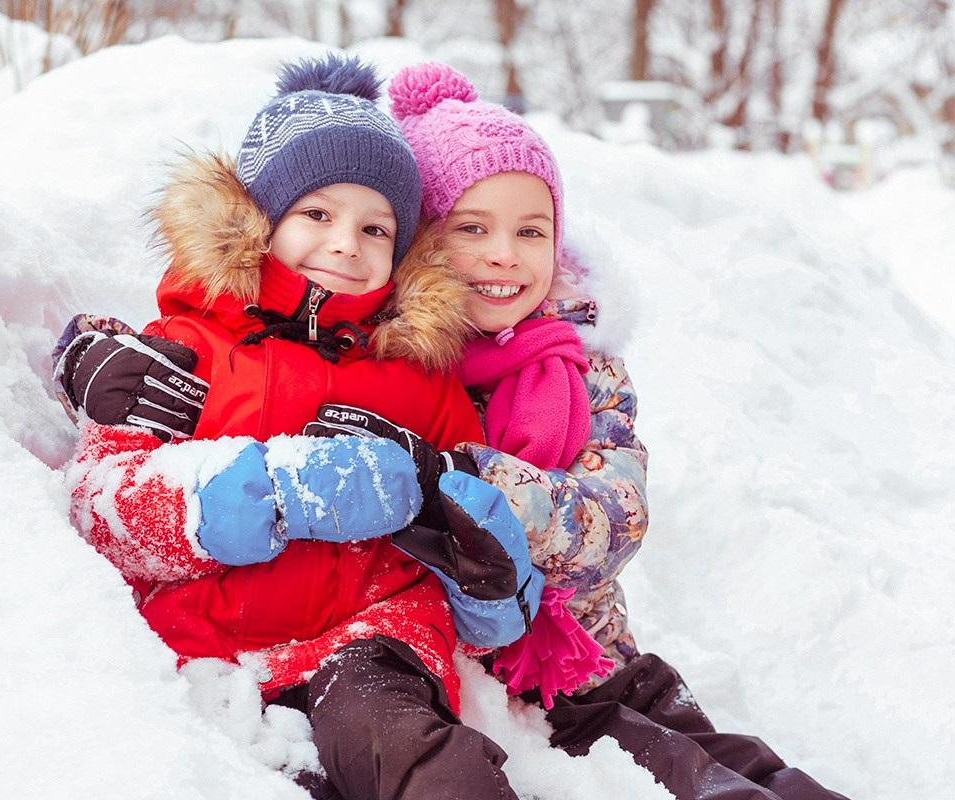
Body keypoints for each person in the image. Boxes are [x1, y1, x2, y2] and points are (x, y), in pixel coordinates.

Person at [309, 61, 849, 800]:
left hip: (582, 660)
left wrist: (456, 476)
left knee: (741, 773)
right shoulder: (381, 364)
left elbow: (610, 521)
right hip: (461, 677)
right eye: (472, 228)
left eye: (531, 231)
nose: (506, 254)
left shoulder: (580, 368)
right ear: (418, 244)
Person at [54, 55, 549, 800]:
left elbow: (468, 541)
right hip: (207, 652)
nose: (346, 244)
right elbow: (103, 504)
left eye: (376, 226)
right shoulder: (185, 349)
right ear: (260, 220)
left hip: (373, 645)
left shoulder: (425, 376)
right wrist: (265, 493)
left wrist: (485, 579)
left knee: (433, 770)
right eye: (317, 215)